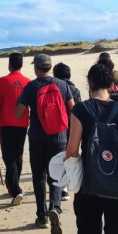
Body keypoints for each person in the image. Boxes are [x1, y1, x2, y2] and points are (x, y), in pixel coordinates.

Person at [64, 64, 118, 234]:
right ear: (112, 84)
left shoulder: (80, 110)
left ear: (89, 83)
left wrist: (73, 178)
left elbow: (72, 150)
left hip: (89, 187)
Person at [14, 54, 75, 234]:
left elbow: (18, 114)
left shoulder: (31, 87)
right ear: (50, 66)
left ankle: (42, 216)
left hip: (37, 138)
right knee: (56, 175)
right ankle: (55, 207)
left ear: (36, 68)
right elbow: (73, 109)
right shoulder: (62, 85)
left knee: (39, 176)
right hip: (59, 138)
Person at [0, 53, 30, 205]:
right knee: (18, 155)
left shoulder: (2, 81)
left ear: (10, 65)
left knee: (9, 157)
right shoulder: (28, 82)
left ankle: (15, 190)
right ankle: (12, 186)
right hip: (22, 124)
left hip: (7, 124)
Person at [52, 61, 82, 201]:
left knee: (61, 155)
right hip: (74, 126)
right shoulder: (75, 90)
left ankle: (63, 188)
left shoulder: (55, 88)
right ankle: (72, 182)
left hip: (58, 126)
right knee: (72, 155)